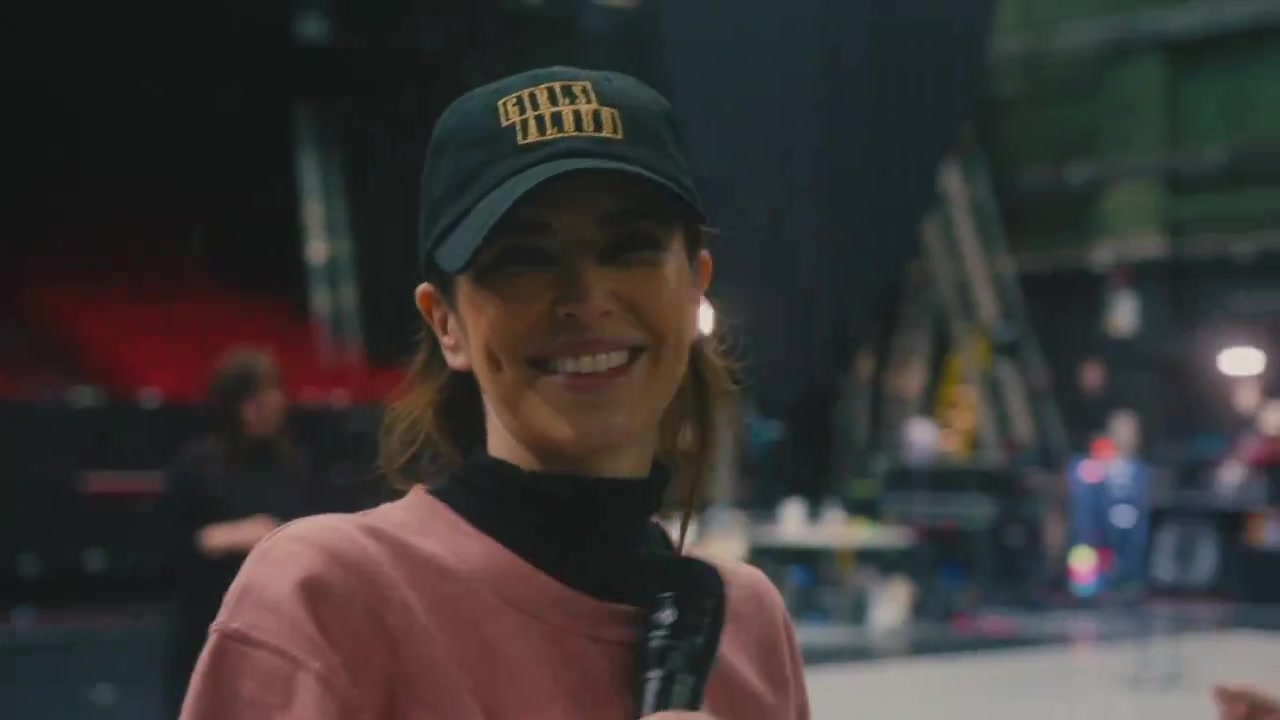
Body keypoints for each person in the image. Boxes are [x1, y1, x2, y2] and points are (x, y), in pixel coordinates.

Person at [180, 66, 809, 719]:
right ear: (445, 323)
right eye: (522, 258)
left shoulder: (746, 622)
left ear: (694, 287)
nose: (586, 298)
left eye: (630, 247)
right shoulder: (325, 597)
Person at [162, 349, 319, 715]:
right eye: (255, 397)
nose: (269, 405)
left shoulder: (295, 464)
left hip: (279, 626)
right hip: (210, 625)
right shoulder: (197, 464)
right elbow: (168, 547)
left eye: (272, 393)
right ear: (234, 405)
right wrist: (227, 536)